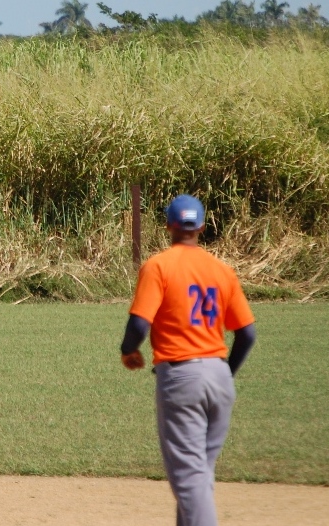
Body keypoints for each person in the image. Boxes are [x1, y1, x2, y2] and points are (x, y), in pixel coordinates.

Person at [119, 194, 256, 526]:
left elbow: (140, 322)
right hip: (219, 378)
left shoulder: (159, 265)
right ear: (202, 228)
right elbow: (247, 334)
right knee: (198, 477)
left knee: (191, 480)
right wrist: (224, 373)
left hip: (182, 377)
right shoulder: (222, 270)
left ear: (169, 226)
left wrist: (127, 350)